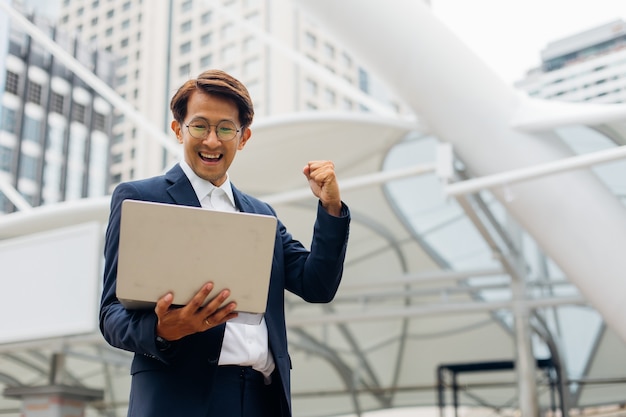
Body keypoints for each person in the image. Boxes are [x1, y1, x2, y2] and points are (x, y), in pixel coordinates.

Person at [99, 69, 351, 417]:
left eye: (226, 129)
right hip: (181, 400)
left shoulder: (261, 215)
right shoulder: (141, 199)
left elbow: (317, 285)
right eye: (200, 126)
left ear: (243, 137)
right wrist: (161, 330)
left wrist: (330, 208)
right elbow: (111, 314)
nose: (212, 141)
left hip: (263, 399)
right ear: (178, 129)